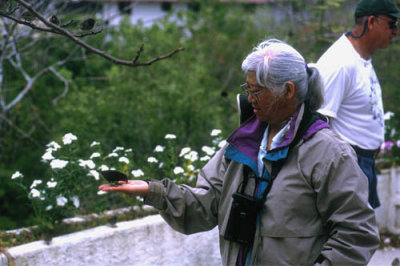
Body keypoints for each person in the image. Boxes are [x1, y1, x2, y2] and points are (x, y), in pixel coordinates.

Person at [99, 39, 380, 265]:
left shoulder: (328, 152)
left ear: (288, 91)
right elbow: (204, 205)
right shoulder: (242, 144)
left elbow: (356, 233)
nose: (249, 99)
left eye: (257, 90)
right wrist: (153, 191)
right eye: (248, 89)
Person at [316, 0, 400, 209]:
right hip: (348, 166)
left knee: (362, 236)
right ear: (371, 21)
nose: (396, 31)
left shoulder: (360, 58)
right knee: (351, 237)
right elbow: (317, 124)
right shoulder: (340, 62)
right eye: (392, 24)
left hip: (363, 164)